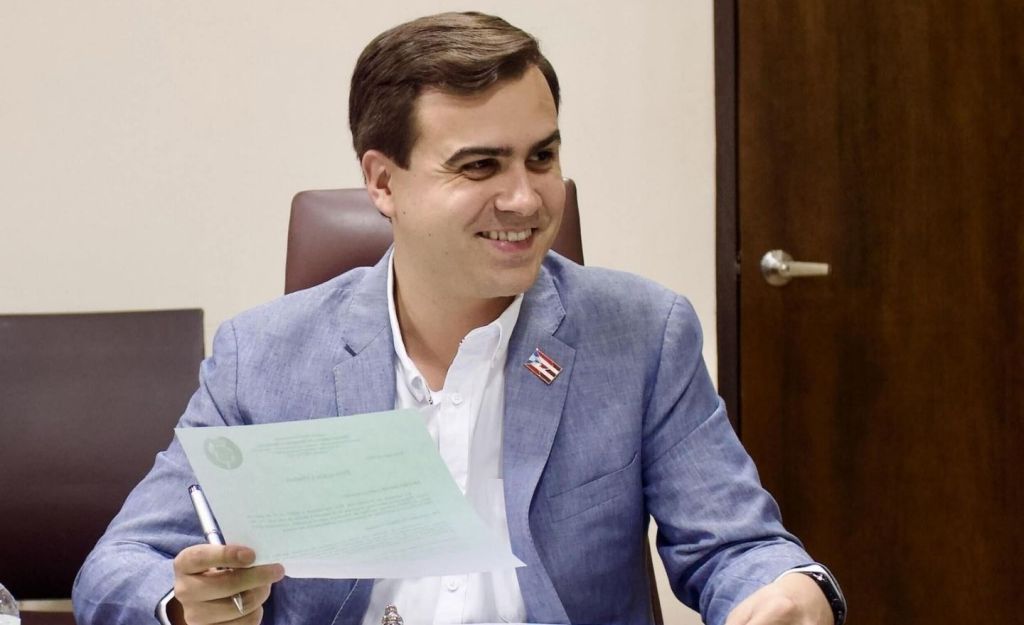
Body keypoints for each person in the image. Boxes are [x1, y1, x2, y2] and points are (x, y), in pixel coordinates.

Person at [73, 12, 845, 625]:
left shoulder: (642, 334)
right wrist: (182, 603)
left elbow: (737, 544)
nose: (526, 198)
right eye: (480, 165)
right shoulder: (264, 355)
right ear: (383, 182)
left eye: (541, 157)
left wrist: (785, 589)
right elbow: (117, 567)